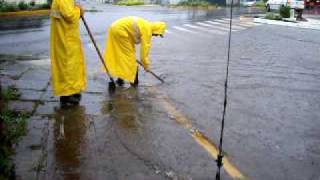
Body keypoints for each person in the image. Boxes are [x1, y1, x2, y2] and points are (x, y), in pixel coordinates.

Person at [103, 16, 166, 87]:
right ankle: (134, 84)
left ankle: (120, 80)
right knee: (130, 59)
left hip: (115, 28)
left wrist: (145, 64)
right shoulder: (147, 30)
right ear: (156, 30)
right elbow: (144, 51)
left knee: (123, 56)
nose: (156, 35)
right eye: (157, 34)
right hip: (119, 31)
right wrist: (146, 65)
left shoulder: (145, 25)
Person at [50, 0, 86, 105]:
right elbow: (70, 16)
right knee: (68, 67)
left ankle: (72, 90)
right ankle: (67, 95)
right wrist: (79, 9)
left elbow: (67, 13)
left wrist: (77, 10)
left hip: (66, 37)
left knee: (71, 67)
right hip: (66, 39)